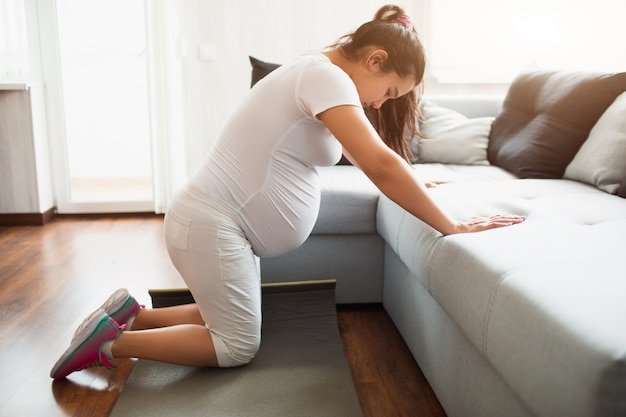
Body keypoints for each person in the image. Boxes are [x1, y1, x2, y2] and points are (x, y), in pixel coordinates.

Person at [50, 5, 525, 378]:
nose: (381, 103)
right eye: (390, 91)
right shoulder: (323, 76)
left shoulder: (321, 77)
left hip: (219, 225)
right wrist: (452, 225)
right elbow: (378, 162)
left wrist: (417, 181)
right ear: (375, 60)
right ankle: (109, 344)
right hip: (214, 223)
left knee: (234, 312)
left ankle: (132, 315)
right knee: (235, 345)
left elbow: (365, 157)